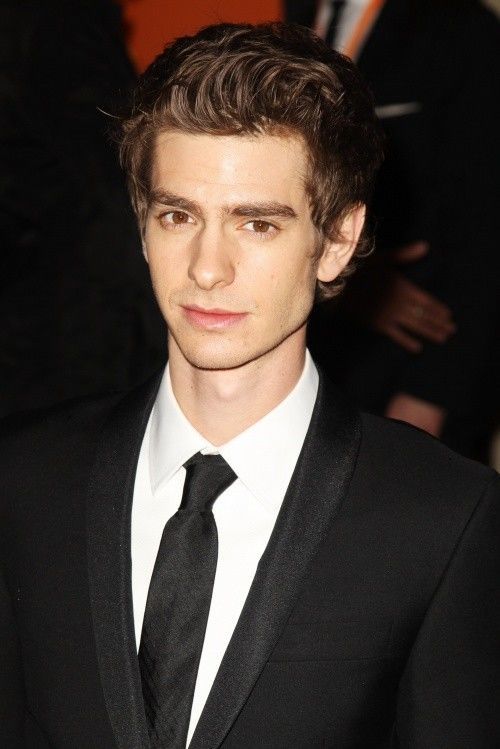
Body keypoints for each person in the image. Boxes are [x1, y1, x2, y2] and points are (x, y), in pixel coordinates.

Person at [1, 22, 499, 749]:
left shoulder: (445, 518)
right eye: (178, 216)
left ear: (337, 241)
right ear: (143, 226)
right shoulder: (22, 481)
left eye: (257, 225)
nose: (208, 268)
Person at [287, 0, 500, 459]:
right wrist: (344, 286)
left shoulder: (462, 29)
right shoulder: (297, 20)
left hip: (409, 377)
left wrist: (431, 396)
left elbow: (485, 228)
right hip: (307, 375)